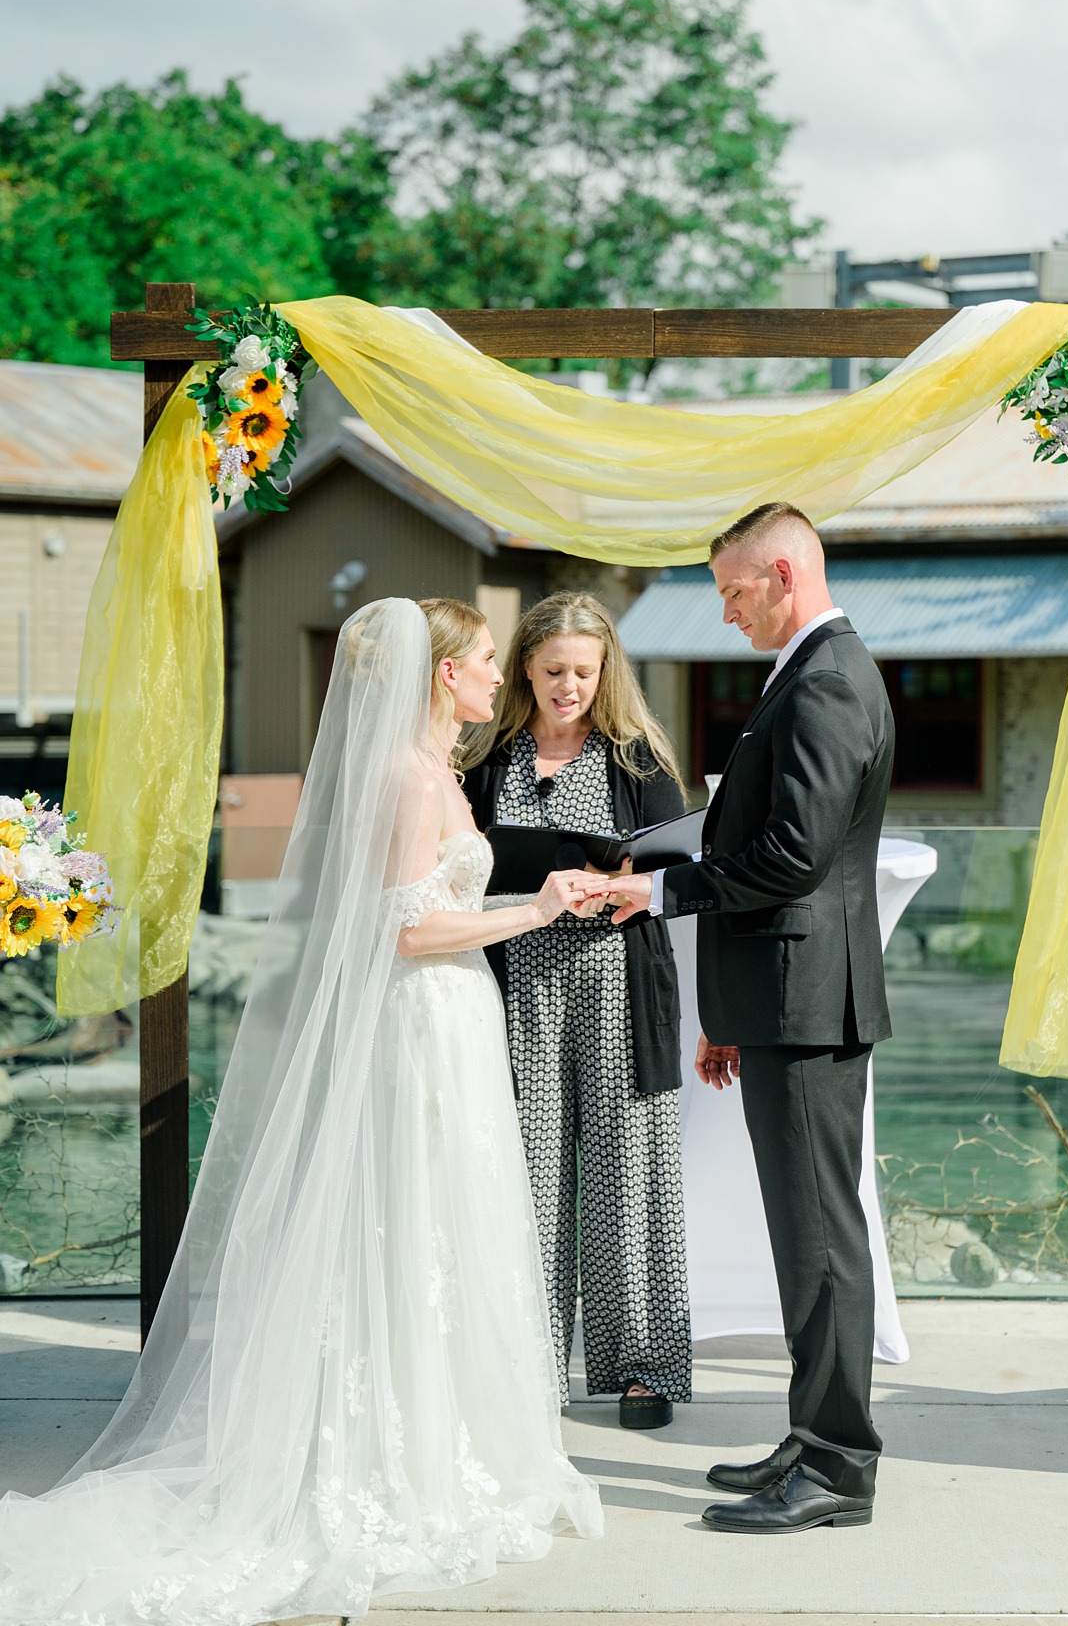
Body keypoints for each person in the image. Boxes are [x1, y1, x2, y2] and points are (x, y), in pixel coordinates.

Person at [0, 597, 603, 1624]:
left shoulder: (438, 773)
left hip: (456, 1022)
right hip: (420, 1026)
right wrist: (534, 909)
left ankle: (448, 1431)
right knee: (413, 1224)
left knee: (450, 1231)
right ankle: (397, 1456)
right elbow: (403, 934)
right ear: (440, 675)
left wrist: (544, 898)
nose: (500, 675)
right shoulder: (408, 783)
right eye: (488, 660)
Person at [597, 502, 896, 1535]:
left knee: (820, 1241)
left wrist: (665, 890)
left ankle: (839, 1463)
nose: (726, 614)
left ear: (780, 571)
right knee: (807, 1235)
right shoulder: (813, 672)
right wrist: (726, 1008)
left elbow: (792, 858)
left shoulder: (826, 678)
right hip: (787, 1001)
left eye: (732, 592)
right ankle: (813, 1436)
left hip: (809, 1006)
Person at [461, 593, 693, 1431]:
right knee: (527, 1178)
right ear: (524, 666)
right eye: (554, 670)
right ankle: (528, 1361)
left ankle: (643, 1367)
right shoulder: (485, 762)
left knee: (629, 1178)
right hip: (515, 987)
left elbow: (677, 877)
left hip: (618, 987)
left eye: (584, 673)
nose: (569, 687)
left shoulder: (637, 762)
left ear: (606, 674)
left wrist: (627, 881)